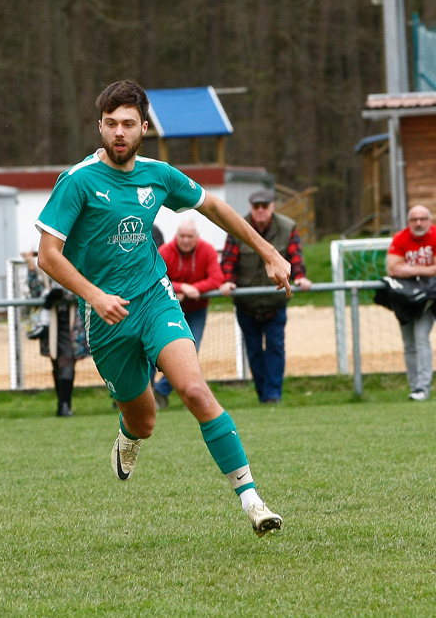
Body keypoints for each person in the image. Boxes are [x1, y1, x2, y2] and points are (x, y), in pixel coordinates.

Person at [36, 79, 288, 537]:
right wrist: (94, 295)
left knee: (194, 390)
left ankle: (253, 502)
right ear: (100, 127)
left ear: (144, 128)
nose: (119, 132)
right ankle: (128, 436)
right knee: (145, 420)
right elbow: (48, 255)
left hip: (155, 299)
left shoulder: (157, 173)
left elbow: (213, 207)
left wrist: (268, 251)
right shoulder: (77, 182)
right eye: (110, 123)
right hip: (107, 318)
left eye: (128, 124)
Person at [218, 189, 313, 404]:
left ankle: (273, 395)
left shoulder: (287, 227)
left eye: (264, 206)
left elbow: (296, 256)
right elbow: (229, 260)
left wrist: (300, 277)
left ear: (272, 207)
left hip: (275, 302)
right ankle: (263, 394)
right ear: (251, 208)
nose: (260, 210)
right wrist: (227, 280)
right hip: (246, 303)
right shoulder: (238, 226)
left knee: (275, 348)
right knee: (253, 351)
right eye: (256, 206)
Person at [152, 218, 225, 408]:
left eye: (189, 236)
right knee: (156, 353)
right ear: (176, 236)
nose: (185, 240)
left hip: (197, 310)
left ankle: (161, 391)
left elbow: (217, 278)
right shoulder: (165, 251)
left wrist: (195, 289)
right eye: (182, 236)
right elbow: (155, 276)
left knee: (191, 352)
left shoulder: (207, 250)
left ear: (196, 237)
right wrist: (180, 288)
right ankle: (148, 395)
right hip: (167, 310)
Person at [22, 250, 89, 417]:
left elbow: (85, 287)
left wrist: (64, 294)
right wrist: (30, 264)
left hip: (72, 319)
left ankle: (65, 404)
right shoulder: (43, 265)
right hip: (51, 321)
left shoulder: (77, 260)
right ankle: (62, 403)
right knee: (56, 361)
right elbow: (35, 290)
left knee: (67, 359)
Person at [385, 205, 436, 401]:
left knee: (421, 337)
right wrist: (427, 268)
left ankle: (423, 387)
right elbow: (393, 269)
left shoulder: (434, 236)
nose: (419, 223)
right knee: (409, 343)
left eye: (423, 218)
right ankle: (415, 387)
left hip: (428, 298)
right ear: (409, 222)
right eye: (414, 219)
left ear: (429, 220)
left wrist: (410, 269)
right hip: (405, 298)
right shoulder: (400, 238)